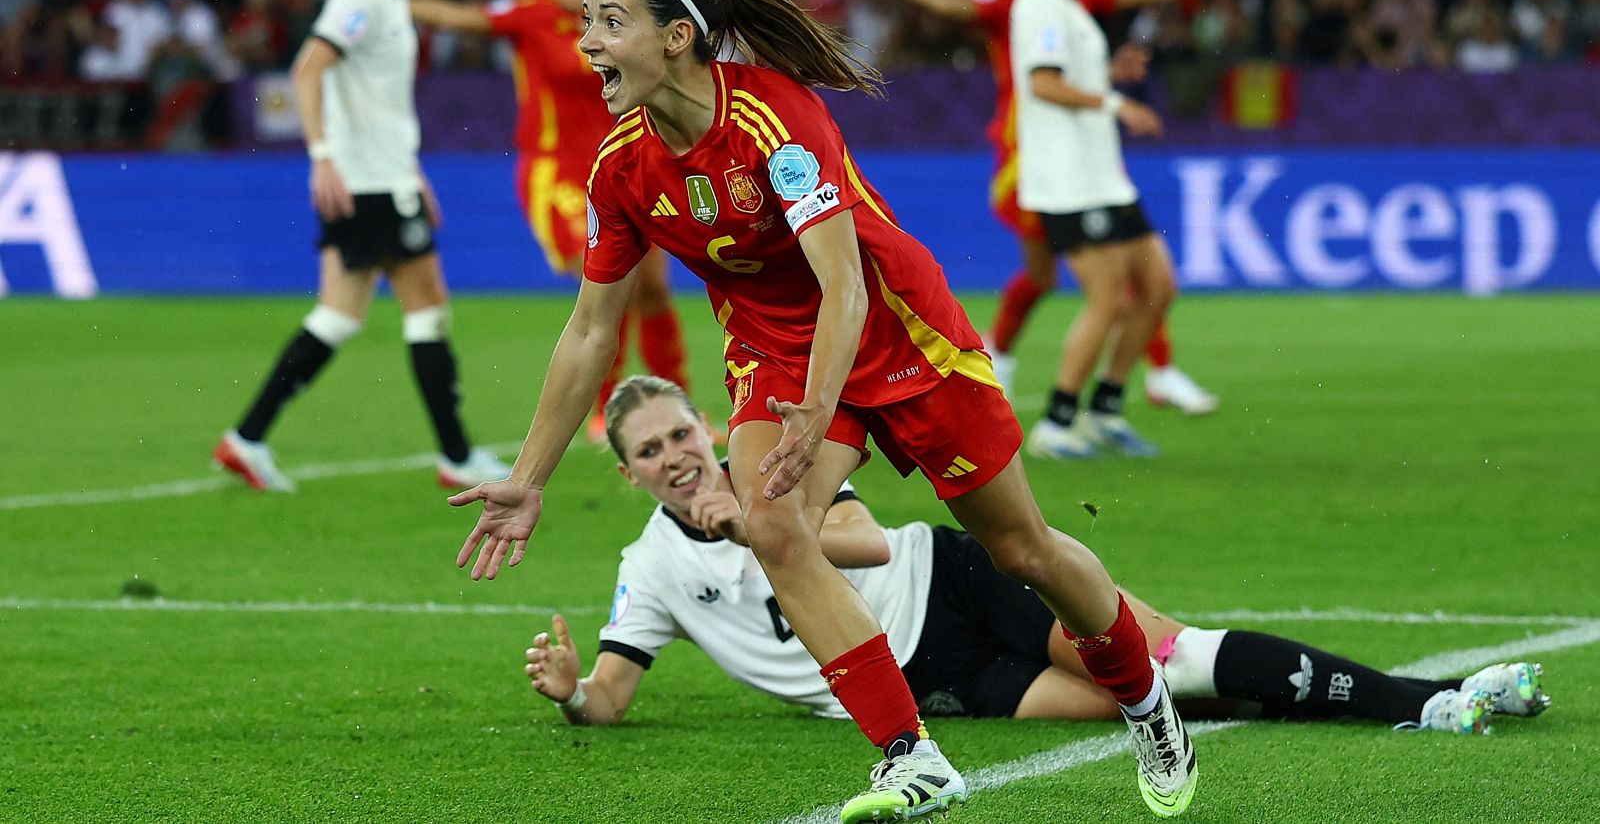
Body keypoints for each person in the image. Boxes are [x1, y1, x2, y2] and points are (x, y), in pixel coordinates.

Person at [451, 0, 1199, 821]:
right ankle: (910, 755)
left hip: (899, 336)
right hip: (778, 356)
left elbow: (844, 281)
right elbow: (589, 329)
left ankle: (1148, 704)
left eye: (610, 22)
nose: (588, 44)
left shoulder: (774, 116)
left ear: (680, 36)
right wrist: (530, 479)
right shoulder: (620, 167)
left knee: (1022, 550)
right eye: (586, 23)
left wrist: (818, 409)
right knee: (773, 527)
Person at [524, 375, 1550, 738]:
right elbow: (612, 696)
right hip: (932, 686)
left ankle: (1432, 700)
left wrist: (753, 520)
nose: (672, 458)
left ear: (705, 429)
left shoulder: (770, 475)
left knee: (1170, 659)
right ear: (626, 473)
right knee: (1160, 699)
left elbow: (870, 539)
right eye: (648, 451)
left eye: (678, 437)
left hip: (963, 585)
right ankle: (1388, 700)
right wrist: (574, 695)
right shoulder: (648, 566)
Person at [841, 0, 1220, 416]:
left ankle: (1008, 356)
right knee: (1110, 283)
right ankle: (1097, 390)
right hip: (1031, 161)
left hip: (1077, 153)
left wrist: (1104, 77)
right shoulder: (1018, 2)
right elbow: (950, 10)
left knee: (1078, 277)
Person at [212, 0, 510, 492]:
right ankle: (457, 455)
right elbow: (308, 68)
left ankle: (246, 438)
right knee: (428, 309)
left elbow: (379, 104)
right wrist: (322, 156)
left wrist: (412, 172)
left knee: (340, 315)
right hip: (368, 185)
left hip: (382, 178)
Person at [1008, 0, 1288, 460]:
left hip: (1101, 176)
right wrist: (1117, 103)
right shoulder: (1039, 3)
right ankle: (1058, 422)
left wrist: (1107, 73)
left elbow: (1062, 77)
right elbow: (1041, 83)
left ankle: (1106, 409)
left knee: (1158, 287)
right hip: (1069, 183)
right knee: (1108, 298)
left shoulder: (1067, 5)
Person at [409, 0, 694, 444]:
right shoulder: (530, 14)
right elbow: (464, 18)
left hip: (632, 166)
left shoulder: (622, 20)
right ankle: (608, 410)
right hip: (557, 172)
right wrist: (393, 1)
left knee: (652, 289)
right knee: (607, 275)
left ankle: (679, 409)